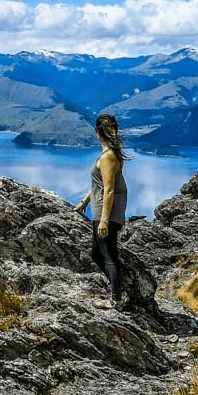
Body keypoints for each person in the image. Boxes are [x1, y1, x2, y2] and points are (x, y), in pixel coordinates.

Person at [74, 113, 129, 307]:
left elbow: (109, 189)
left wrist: (104, 220)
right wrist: (84, 202)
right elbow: (99, 185)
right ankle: (118, 289)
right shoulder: (110, 154)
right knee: (96, 254)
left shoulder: (108, 157)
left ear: (97, 132)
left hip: (108, 213)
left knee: (108, 255)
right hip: (101, 210)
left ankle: (117, 299)